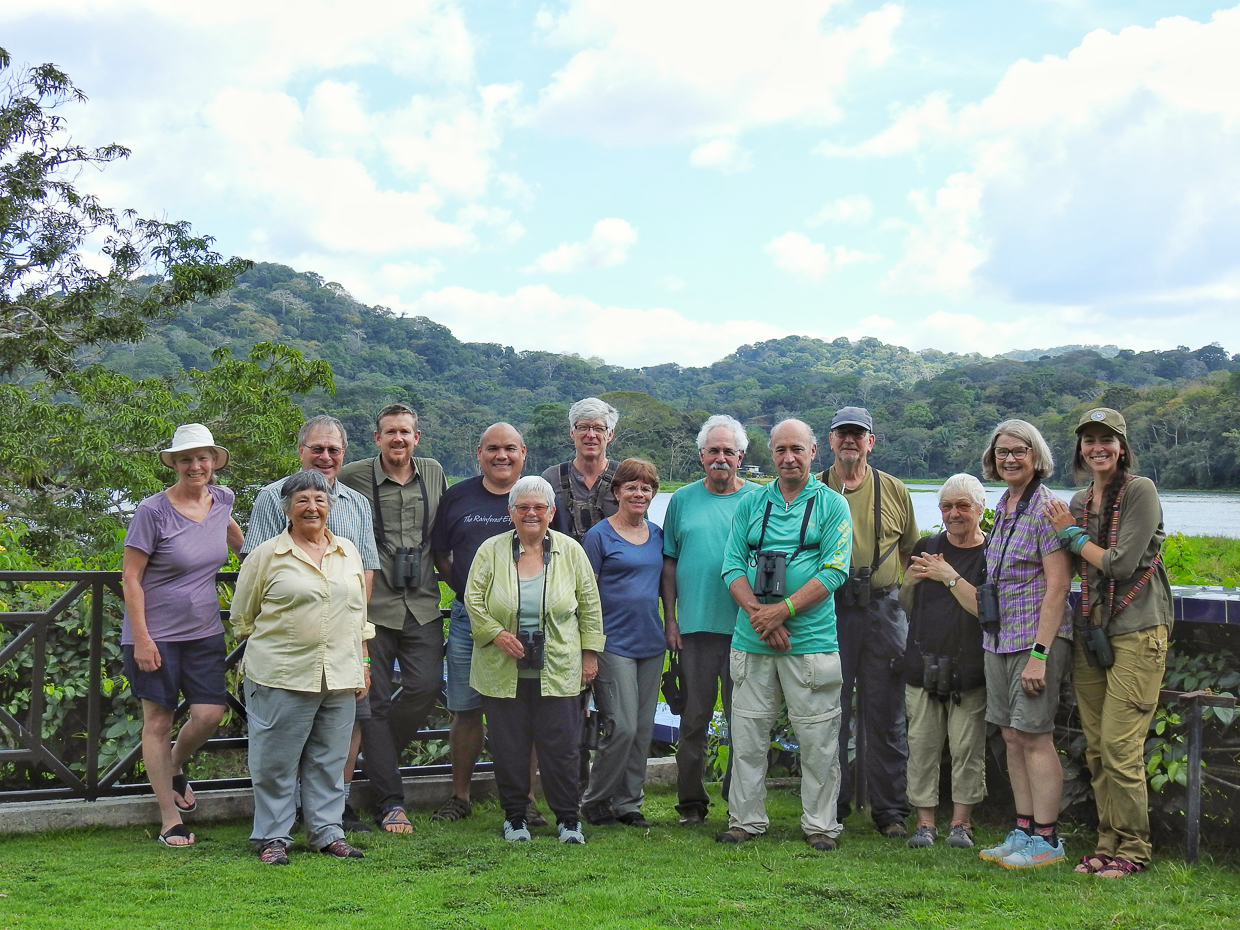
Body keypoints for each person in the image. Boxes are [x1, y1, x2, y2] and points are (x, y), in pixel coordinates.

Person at [1047, 408, 1172, 878]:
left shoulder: (1140, 491)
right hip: (1091, 632)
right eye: (1089, 440)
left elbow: (1119, 565)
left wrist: (1071, 534)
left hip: (1139, 632)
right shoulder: (1079, 500)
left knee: (1121, 747)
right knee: (1097, 748)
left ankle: (1135, 849)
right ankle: (1107, 841)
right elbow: (1072, 558)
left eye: (1107, 439)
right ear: (1080, 448)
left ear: (1122, 446)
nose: (1097, 447)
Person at [717, 419, 853, 851]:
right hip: (752, 638)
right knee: (748, 737)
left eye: (797, 448)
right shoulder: (752, 503)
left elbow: (835, 570)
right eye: (780, 450)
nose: (788, 458)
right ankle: (745, 819)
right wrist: (762, 616)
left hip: (810, 641)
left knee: (817, 740)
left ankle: (820, 825)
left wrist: (784, 611)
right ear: (770, 454)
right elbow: (732, 565)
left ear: (814, 451)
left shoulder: (832, 505)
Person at [242, 414, 379, 832]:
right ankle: (273, 835)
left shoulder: (356, 507)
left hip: (340, 657)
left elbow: (365, 579)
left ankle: (326, 830)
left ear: (344, 454)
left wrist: (358, 646)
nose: (324, 456)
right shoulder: (271, 500)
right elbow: (248, 601)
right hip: (285, 660)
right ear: (300, 451)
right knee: (277, 755)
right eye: (316, 448)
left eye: (333, 450)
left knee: (330, 754)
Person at [120, 424, 243, 847]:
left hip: (205, 630)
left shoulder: (223, 499)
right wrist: (142, 638)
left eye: (203, 457)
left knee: (209, 713)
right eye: (187, 458)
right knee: (157, 720)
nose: (196, 466)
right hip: (155, 634)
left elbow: (236, 539)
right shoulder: (152, 511)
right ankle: (169, 818)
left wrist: (253, 557)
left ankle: (174, 764)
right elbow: (130, 578)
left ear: (214, 462)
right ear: (173, 463)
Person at [465, 476, 605, 843]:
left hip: (558, 664)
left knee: (561, 746)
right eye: (523, 507)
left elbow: (590, 605)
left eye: (539, 508)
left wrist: (590, 654)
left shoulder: (571, 550)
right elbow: (473, 600)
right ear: (510, 512)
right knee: (508, 746)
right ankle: (515, 817)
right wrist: (496, 634)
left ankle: (568, 819)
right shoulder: (490, 550)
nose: (531, 514)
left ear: (551, 512)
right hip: (501, 665)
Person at [430, 422, 546, 825]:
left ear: (523, 453)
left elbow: (554, 552)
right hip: (468, 620)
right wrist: (470, 593)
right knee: (465, 709)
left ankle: (525, 798)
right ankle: (459, 796)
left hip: (528, 622)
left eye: (510, 448)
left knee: (524, 709)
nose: (502, 456)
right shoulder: (458, 496)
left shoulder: (535, 498)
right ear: (479, 452)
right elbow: (442, 554)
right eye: (493, 448)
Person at [338, 403, 447, 834]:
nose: (398, 439)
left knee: (425, 687)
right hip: (373, 605)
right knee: (373, 704)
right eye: (390, 432)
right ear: (377, 437)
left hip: (422, 602)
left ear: (416, 437)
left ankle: (375, 756)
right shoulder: (354, 476)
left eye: (405, 432)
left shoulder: (435, 473)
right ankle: (391, 802)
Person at [976, 419, 1073, 869]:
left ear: (1037, 456)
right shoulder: (1006, 504)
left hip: (1034, 641)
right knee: (1012, 737)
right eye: (1002, 452)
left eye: (1019, 451)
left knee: (1035, 737)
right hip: (999, 639)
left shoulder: (1046, 508)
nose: (1010, 459)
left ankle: (1048, 839)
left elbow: (1057, 587)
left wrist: (1040, 655)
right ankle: (1023, 829)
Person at [821, 406, 919, 837]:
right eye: (843, 433)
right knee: (828, 712)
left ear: (871, 442)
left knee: (887, 713)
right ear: (830, 440)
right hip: (828, 610)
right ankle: (830, 807)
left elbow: (912, 556)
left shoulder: (895, 490)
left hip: (883, 608)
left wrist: (908, 611)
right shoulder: (814, 487)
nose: (850, 441)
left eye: (858, 435)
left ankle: (891, 811)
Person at [660, 414, 760, 825]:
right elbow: (669, 563)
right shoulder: (682, 500)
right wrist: (671, 619)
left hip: (746, 630)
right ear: (701, 456)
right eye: (713, 451)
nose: (721, 458)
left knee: (746, 722)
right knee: (694, 720)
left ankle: (739, 799)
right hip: (696, 630)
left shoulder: (760, 498)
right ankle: (691, 803)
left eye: (728, 452)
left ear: (741, 456)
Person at [900, 474, 990, 850]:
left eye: (962, 506)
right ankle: (924, 824)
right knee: (921, 746)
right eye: (947, 507)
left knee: (967, 748)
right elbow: (906, 603)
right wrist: (912, 580)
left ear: (980, 510)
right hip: (922, 662)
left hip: (969, 668)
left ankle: (961, 824)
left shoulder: (992, 553)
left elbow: (984, 610)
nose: (954, 514)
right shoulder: (927, 546)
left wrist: (948, 576)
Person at [581, 458, 668, 828]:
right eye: (631, 487)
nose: (638, 493)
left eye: (645, 488)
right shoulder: (599, 536)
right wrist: (588, 647)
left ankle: (628, 803)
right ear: (616, 492)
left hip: (650, 641)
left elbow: (665, 585)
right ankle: (595, 798)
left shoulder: (658, 534)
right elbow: (584, 594)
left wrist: (673, 624)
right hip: (612, 642)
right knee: (622, 725)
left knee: (643, 728)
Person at [542, 397, 620, 542]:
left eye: (598, 428)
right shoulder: (551, 478)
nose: (590, 435)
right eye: (583, 427)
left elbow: (640, 529)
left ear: (609, 434)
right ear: (572, 433)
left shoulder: (625, 476)